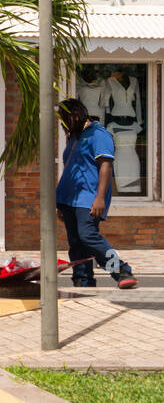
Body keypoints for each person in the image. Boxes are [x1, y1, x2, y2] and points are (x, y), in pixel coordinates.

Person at [57, 99, 138, 289]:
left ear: (76, 114)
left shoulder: (98, 134)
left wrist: (100, 197)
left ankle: (121, 270)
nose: (63, 124)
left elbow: (105, 166)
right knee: (76, 243)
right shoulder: (76, 136)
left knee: (88, 236)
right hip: (68, 200)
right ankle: (83, 280)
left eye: (65, 119)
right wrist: (61, 202)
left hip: (88, 197)